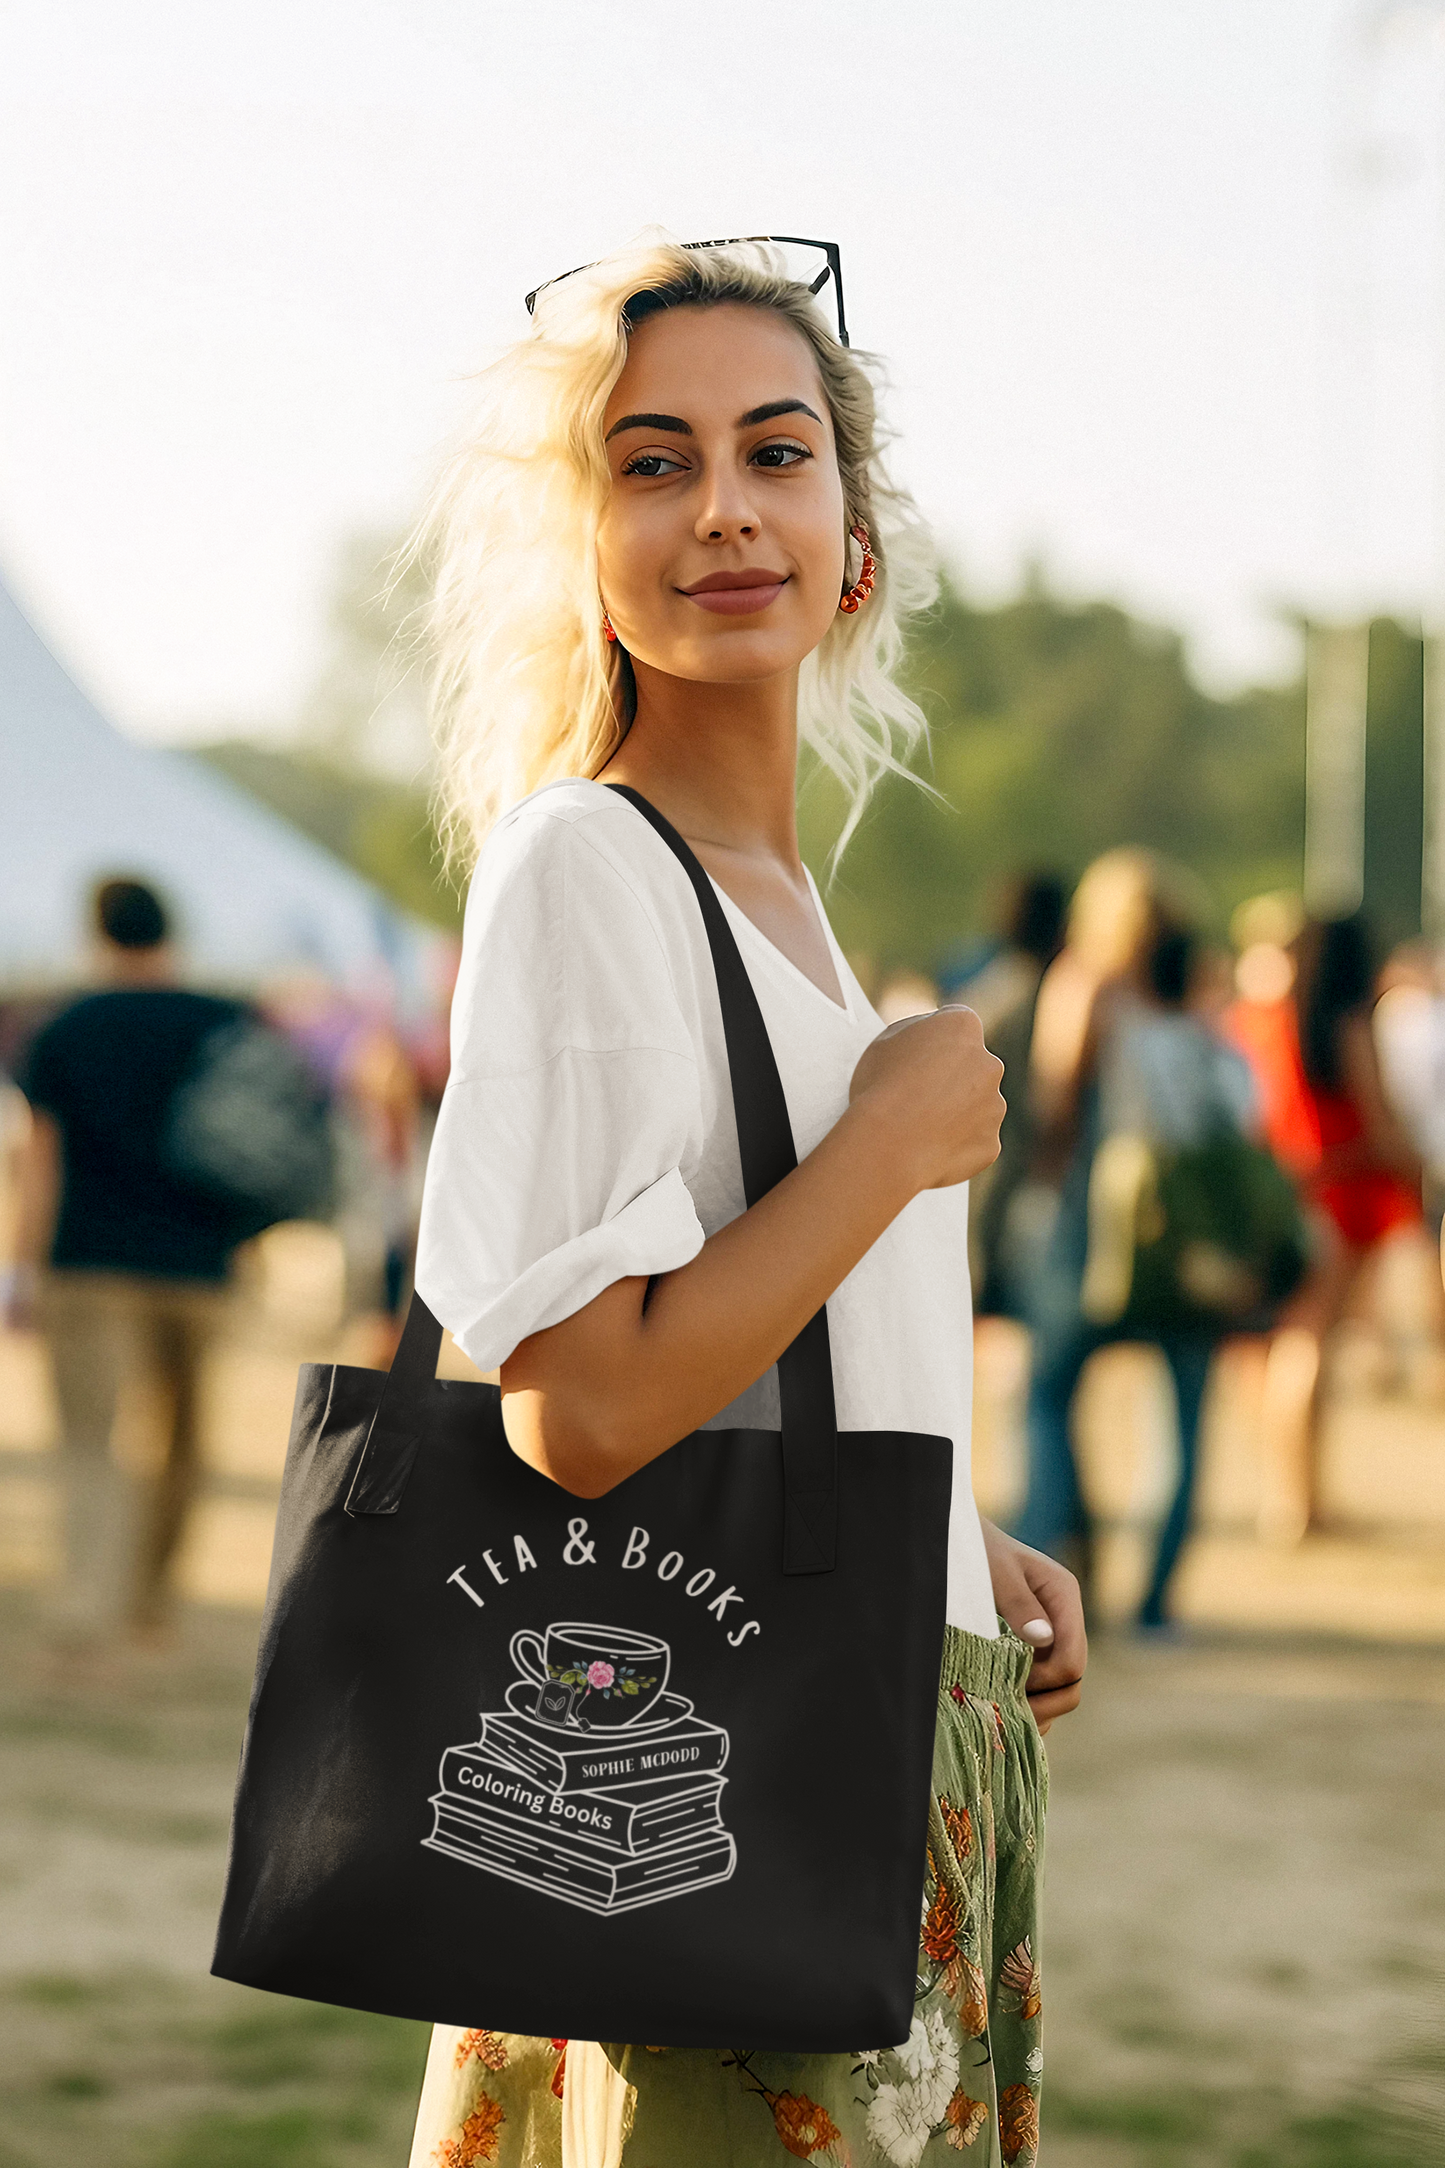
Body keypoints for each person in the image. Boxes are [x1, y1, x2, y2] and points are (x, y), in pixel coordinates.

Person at [403, 237, 1085, 2168]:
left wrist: (957, 1528)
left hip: (897, 1736)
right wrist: (886, 1143)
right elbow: (584, 1407)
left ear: (854, 535)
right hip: (711, 1783)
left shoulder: (786, 905)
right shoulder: (588, 865)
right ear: (584, 542)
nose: (724, 508)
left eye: (776, 453)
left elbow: (759, 1336)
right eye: (650, 461)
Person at [10, 879, 262, 1648]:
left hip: (90, 1262)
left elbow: (38, 1160)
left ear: (98, 935)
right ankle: (154, 1606)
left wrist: (20, 1267)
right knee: (185, 1439)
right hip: (202, 1262)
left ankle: (90, 1609)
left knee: (94, 1440)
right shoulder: (225, 1021)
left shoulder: (66, 1028)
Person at [1012, 851, 1242, 1628]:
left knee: (1047, 1395)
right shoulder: (1200, 1005)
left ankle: (1053, 1570)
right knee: (1182, 1420)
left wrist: (1033, 1204)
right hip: (1193, 1243)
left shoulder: (1087, 986)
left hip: (1093, 1227)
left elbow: (1056, 1105)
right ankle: (1154, 1604)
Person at [1226, 912, 1423, 1543]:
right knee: (1311, 1347)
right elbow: (1379, 1115)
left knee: (1299, 1343)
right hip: (1345, 1192)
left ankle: (1299, 1496)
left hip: (1296, 1189)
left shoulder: (1270, 1019)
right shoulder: (1347, 1022)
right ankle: (1295, 1503)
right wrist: (1419, 1166)